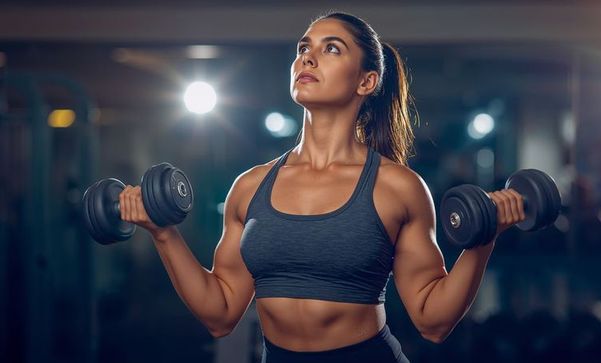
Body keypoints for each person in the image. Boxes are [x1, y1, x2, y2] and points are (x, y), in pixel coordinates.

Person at [117, 11, 526, 363]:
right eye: (302, 47)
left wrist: (483, 240)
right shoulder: (250, 186)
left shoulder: (397, 187)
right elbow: (221, 313)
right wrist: (163, 234)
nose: (307, 56)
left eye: (332, 48)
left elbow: (432, 321)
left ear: (366, 82)